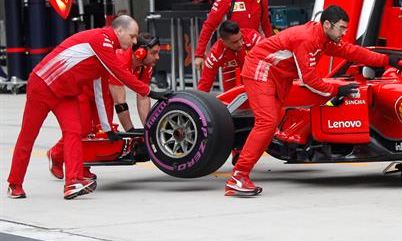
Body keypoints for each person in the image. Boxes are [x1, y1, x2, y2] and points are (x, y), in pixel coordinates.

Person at [225, 5, 400, 197]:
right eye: (341, 28)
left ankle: (248, 167)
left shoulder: (324, 37)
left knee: (271, 123)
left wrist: (385, 60)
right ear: (327, 24)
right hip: (261, 71)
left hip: (278, 77)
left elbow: (351, 51)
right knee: (266, 123)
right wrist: (337, 89)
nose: (344, 32)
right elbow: (309, 80)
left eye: (346, 28)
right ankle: (238, 177)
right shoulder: (307, 39)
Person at [7, 16, 171, 200]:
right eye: (132, 36)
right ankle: (15, 184)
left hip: (66, 93)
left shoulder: (107, 50)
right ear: (119, 31)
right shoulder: (102, 40)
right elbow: (120, 73)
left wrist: (107, 128)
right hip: (43, 85)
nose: (134, 42)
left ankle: (72, 183)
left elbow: (100, 90)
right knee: (28, 135)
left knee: (75, 132)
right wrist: (148, 91)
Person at [45, 34, 161, 181]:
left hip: (104, 94)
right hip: (83, 92)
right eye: (154, 53)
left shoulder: (145, 67)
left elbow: (143, 97)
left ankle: (84, 166)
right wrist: (131, 132)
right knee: (83, 130)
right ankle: (56, 154)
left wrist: (149, 130)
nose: (157, 57)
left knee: (101, 131)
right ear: (140, 53)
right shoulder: (119, 60)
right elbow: (120, 102)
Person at [194, 0, 272, 72]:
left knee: (254, 88)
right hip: (231, 54)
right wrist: (199, 54)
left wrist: (272, 51)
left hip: (254, 55)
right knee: (231, 89)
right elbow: (209, 26)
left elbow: (266, 26)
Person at [197, 20, 263, 92]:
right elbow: (205, 82)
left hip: (254, 75)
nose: (240, 44)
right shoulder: (216, 53)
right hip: (231, 77)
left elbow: (270, 57)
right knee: (230, 98)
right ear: (223, 42)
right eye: (235, 42)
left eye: (241, 38)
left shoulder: (253, 37)